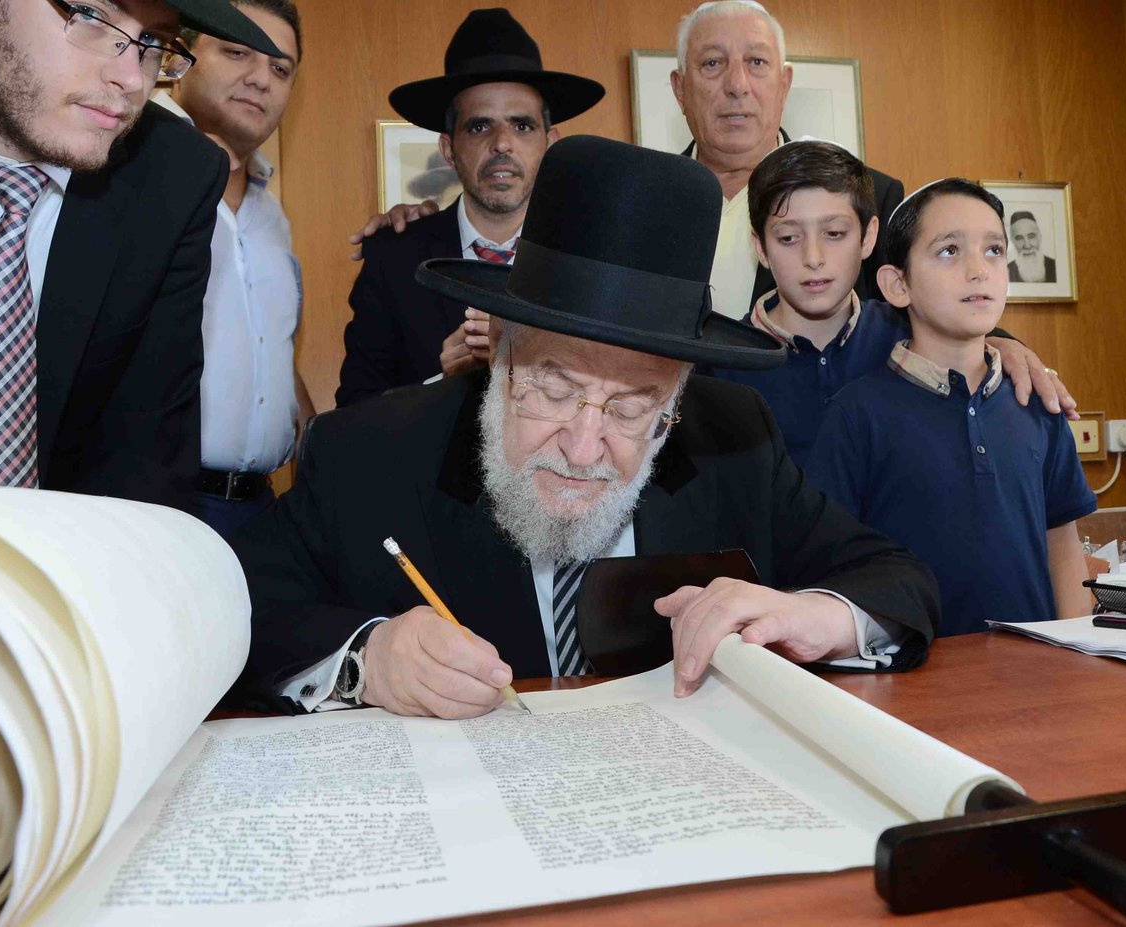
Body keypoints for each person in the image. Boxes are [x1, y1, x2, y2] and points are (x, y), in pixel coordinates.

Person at [231, 136, 939, 719]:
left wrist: (813, 617)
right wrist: (367, 658)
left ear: (676, 398)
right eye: (553, 389)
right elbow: (235, 606)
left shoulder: (733, 439)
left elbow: (897, 579)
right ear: (500, 352)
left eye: (631, 408)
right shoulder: (372, 451)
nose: (582, 446)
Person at [0, 0, 281, 507]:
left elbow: (145, 449)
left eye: (153, 42)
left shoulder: (175, 174)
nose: (131, 79)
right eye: (91, 16)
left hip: (58, 540)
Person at [808, 179, 1096, 637]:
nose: (978, 270)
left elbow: (1062, 543)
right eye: (949, 251)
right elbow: (828, 565)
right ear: (897, 284)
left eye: (994, 251)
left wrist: (1080, 648)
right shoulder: (857, 413)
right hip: (911, 668)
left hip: (1037, 667)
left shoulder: (1038, 401)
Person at [712, 142, 1072, 468]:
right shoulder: (722, 367)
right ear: (761, 247)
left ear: (868, 236)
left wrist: (1002, 345)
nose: (813, 257)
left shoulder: (914, 337)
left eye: (834, 234)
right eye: (789, 238)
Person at [333, 7, 604, 407]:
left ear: (551, 145)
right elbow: (354, 413)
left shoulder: (592, 260)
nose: (502, 143)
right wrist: (443, 384)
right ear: (449, 149)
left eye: (522, 126)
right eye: (479, 126)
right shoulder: (393, 258)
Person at [156, 0, 314, 536]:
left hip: (262, 508)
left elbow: (272, 351)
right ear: (179, 56)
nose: (261, 79)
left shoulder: (273, 217)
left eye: (280, 68)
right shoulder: (127, 175)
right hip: (161, 504)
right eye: (238, 52)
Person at [668, 0, 903, 318]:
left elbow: (909, 319)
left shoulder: (874, 195)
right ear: (680, 89)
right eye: (712, 63)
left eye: (756, 62)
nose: (737, 85)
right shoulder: (644, 204)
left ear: (784, 84)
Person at [1007, 210, 1057, 283]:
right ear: (1012, 241)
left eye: (1031, 236)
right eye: (1019, 238)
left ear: (1040, 237)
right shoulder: (1006, 271)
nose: (1027, 245)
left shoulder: (1056, 267)